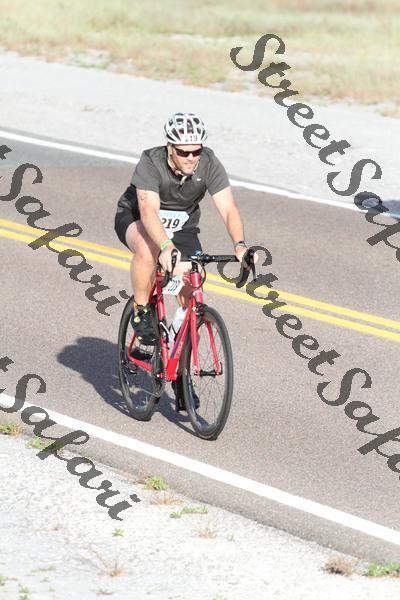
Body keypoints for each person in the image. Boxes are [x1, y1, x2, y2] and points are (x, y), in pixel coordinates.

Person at [115, 111, 250, 409]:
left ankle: (180, 373)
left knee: (192, 296)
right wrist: (164, 246)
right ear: (170, 147)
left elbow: (228, 208)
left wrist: (240, 245)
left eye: (196, 151)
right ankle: (141, 310)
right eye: (184, 152)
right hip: (138, 218)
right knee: (149, 249)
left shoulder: (209, 162)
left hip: (182, 227)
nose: (191, 158)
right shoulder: (151, 162)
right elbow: (149, 212)